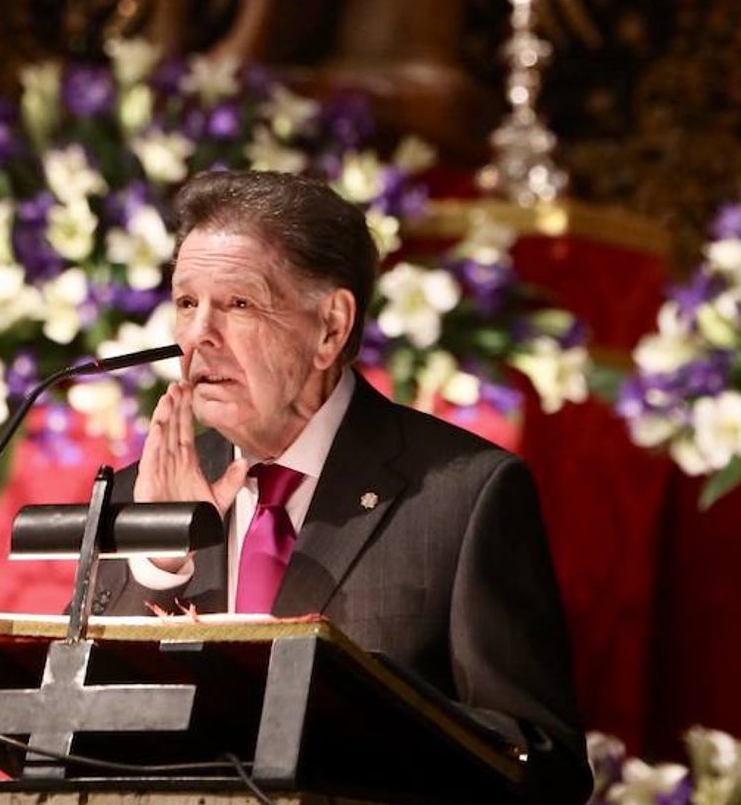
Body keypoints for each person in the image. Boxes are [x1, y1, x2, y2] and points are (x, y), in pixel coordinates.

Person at [91, 169, 592, 805]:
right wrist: (161, 562)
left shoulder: (464, 496)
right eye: (187, 303)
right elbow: (65, 725)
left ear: (330, 326)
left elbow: (542, 765)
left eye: (238, 304)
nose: (197, 336)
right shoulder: (146, 489)